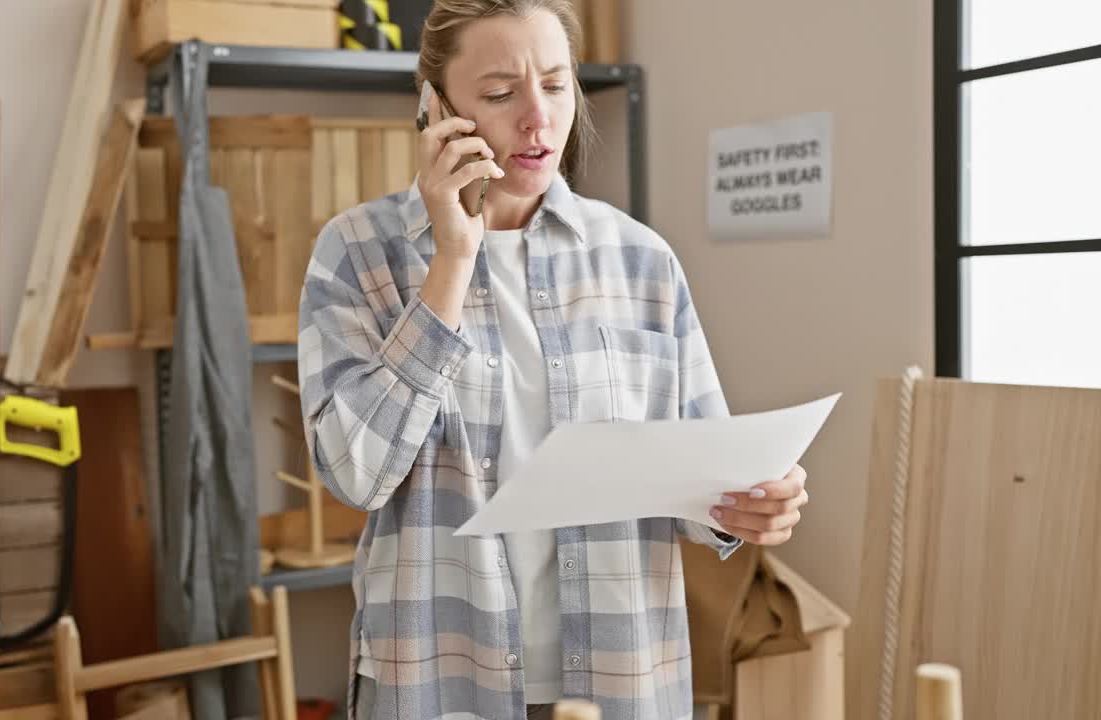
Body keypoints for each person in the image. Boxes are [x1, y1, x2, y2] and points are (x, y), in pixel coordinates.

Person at [297, 1, 809, 718]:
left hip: (620, 679)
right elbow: (356, 474)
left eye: (557, 84)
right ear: (434, 105)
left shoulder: (640, 260)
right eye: (501, 93)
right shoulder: (357, 253)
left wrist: (750, 507)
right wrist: (451, 260)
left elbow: (703, 486)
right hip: (439, 679)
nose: (538, 121)